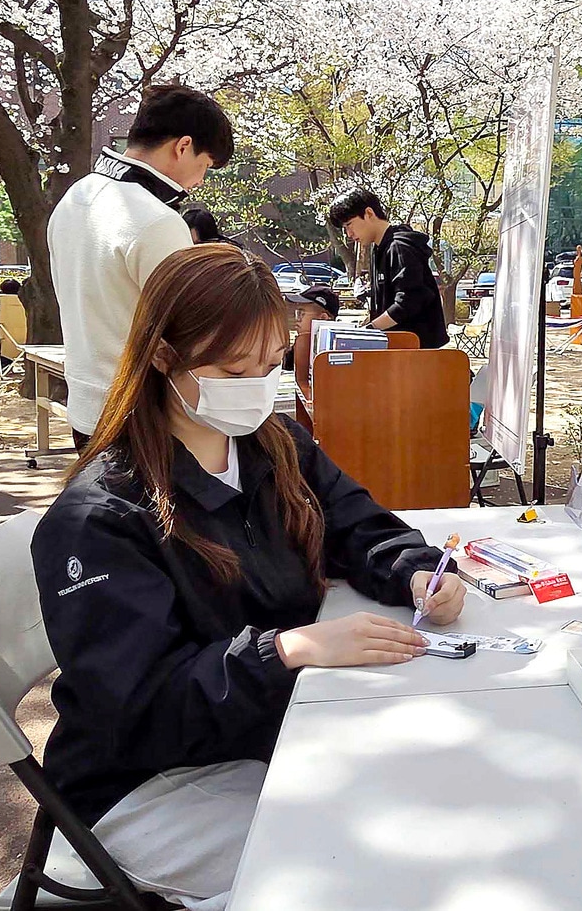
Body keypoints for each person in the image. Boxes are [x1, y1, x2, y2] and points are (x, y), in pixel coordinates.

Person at [31, 244, 465, 910]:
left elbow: (358, 523)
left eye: (271, 366)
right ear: (162, 356)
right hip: (146, 780)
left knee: (429, 792)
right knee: (371, 863)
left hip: (263, 730)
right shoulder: (103, 518)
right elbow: (142, 707)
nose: (256, 388)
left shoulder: (274, 444)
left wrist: (415, 573)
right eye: (233, 370)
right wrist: (287, 650)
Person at [49, 84, 234, 449]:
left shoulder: (76, 196)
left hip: (86, 407)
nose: (199, 181)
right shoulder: (156, 219)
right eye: (204, 166)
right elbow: (188, 332)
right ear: (183, 147)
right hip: (141, 415)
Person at [328, 189, 448, 349]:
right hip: (397, 350)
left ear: (369, 213)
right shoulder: (379, 249)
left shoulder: (399, 247)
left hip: (416, 352)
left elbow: (409, 302)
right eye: (344, 228)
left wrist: (369, 330)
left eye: (349, 224)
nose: (348, 234)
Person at [282, 284, 339, 372]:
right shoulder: (298, 346)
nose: (297, 319)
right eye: (297, 313)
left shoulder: (338, 351)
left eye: (301, 313)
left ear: (323, 318)